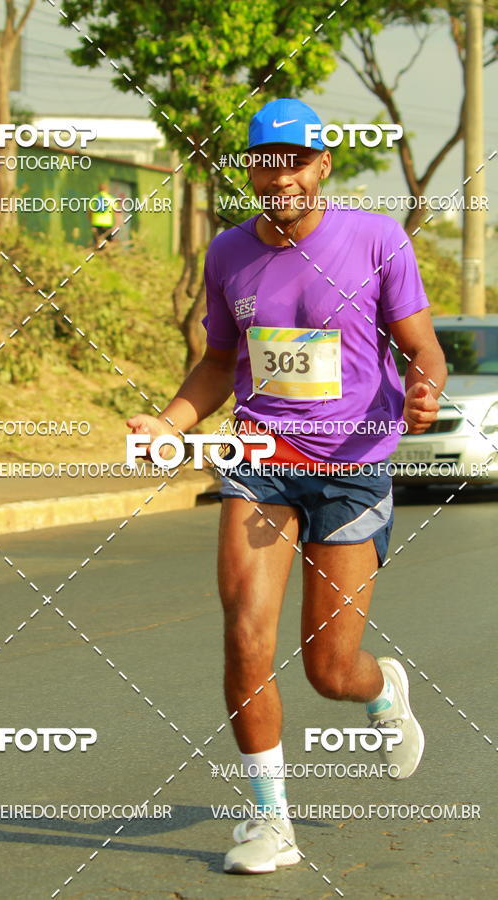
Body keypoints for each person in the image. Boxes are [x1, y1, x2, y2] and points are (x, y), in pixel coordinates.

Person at [127, 98, 447, 875]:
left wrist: (425, 389)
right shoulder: (229, 253)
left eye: (297, 159)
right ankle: (271, 823)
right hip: (261, 461)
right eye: (267, 159)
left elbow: (422, 350)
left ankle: (380, 688)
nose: (283, 174)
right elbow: (217, 361)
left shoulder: (376, 239)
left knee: (329, 669)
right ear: (250, 167)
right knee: (244, 634)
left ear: (322, 167)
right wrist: (171, 423)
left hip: (350, 466)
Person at [88, 181, 116, 249]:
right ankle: (106, 257)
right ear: (107, 189)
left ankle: (99, 257)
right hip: (108, 225)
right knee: (108, 245)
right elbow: (116, 212)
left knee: (98, 244)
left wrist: (91, 222)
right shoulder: (111, 199)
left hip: (97, 224)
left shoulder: (94, 198)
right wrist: (116, 224)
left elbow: (89, 212)